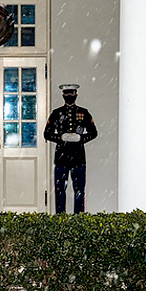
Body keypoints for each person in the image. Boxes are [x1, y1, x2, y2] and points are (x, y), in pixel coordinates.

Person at [44, 84, 98, 213]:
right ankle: (60, 219)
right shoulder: (56, 114)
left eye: (72, 94)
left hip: (78, 158)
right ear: (63, 95)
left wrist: (81, 138)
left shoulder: (83, 113)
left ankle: (78, 219)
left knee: (79, 190)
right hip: (61, 157)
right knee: (59, 190)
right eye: (67, 94)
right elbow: (46, 133)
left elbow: (94, 132)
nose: (69, 96)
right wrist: (60, 138)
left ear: (76, 95)